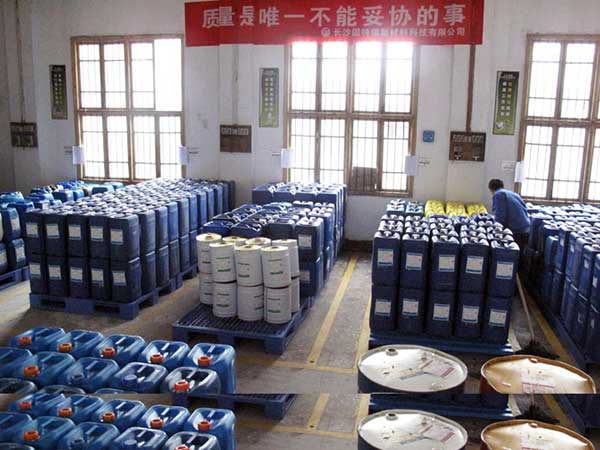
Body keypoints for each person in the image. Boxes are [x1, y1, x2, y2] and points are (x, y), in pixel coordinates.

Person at [488, 178, 531, 250]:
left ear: (491, 189)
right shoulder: (514, 194)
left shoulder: (498, 194)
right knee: (519, 253)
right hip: (526, 229)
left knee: (509, 253)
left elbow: (500, 216)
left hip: (516, 231)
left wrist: (494, 229)